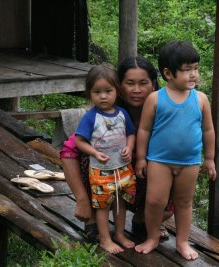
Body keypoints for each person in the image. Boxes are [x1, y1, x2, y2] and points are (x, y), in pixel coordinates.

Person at [60, 56, 172, 249]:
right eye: (130, 83)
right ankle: (93, 217)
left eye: (143, 83)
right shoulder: (106, 114)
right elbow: (69, 150)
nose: (136, 90)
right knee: (88, 157)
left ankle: (143, 218)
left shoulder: (163, 113)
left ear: (153, 85)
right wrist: (82, 200)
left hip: (138, 180)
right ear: (120, 86)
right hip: (104, 179)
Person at [134, 40, 217, 260]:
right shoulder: (155, 98)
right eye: (187, 69)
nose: (194, 75)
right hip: (159, 161)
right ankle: (152, 236)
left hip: (189, 162)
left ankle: (181, 242)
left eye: (196, 68)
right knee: (154, 202)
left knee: (184, 203)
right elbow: (143, 130)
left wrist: (209, 158)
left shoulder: (200, 99)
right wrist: (141, 158)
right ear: (168, 73)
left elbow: (208, 130)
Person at [74, 63, 136, 254]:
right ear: (89, 94)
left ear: (116, 91)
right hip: (101, 170)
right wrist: (93, 152)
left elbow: (131, 133)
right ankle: (105, 239)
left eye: (108, 91)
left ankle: (119, 234)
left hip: (123, 168)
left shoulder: (122, 114)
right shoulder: (91, 117)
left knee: (121, 201)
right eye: (97, 92)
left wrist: (129, 147)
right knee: (102, 205)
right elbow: (79, 141)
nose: (103, 96)